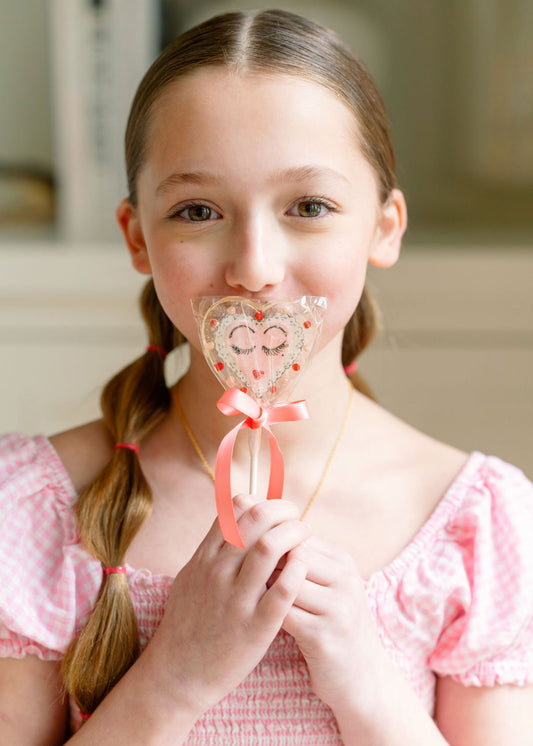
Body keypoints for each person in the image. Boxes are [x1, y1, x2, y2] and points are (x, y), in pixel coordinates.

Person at [0, 9, 532, 745]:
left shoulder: (476, 522)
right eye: (197, 210)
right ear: (137, 237)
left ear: (384, 226)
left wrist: (366, 685)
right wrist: (175, 676)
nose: (253, 267)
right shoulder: (32, 510)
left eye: (308, 207)